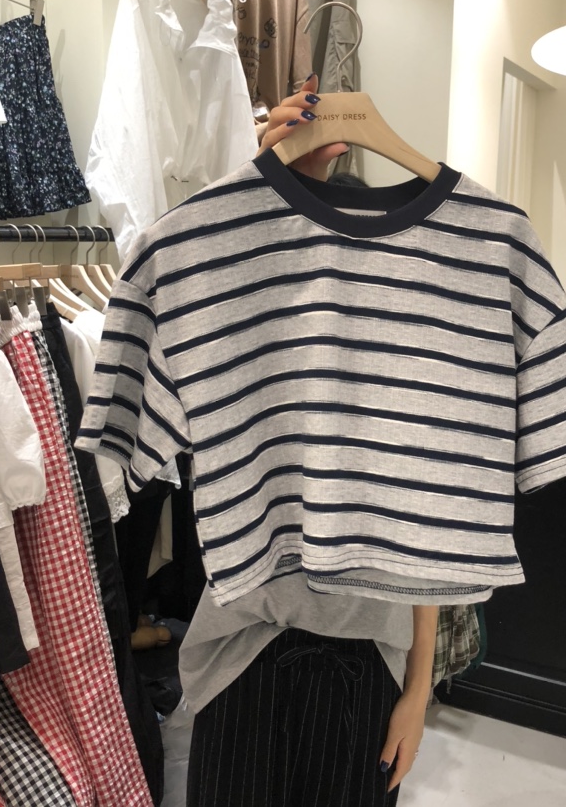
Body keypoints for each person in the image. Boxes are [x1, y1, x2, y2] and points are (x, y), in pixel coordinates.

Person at [178, 74, 439, 807]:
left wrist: (419, 689)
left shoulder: (411, 350)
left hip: (368, 663)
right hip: (243, 650)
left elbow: (430, 537)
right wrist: (263, 173)